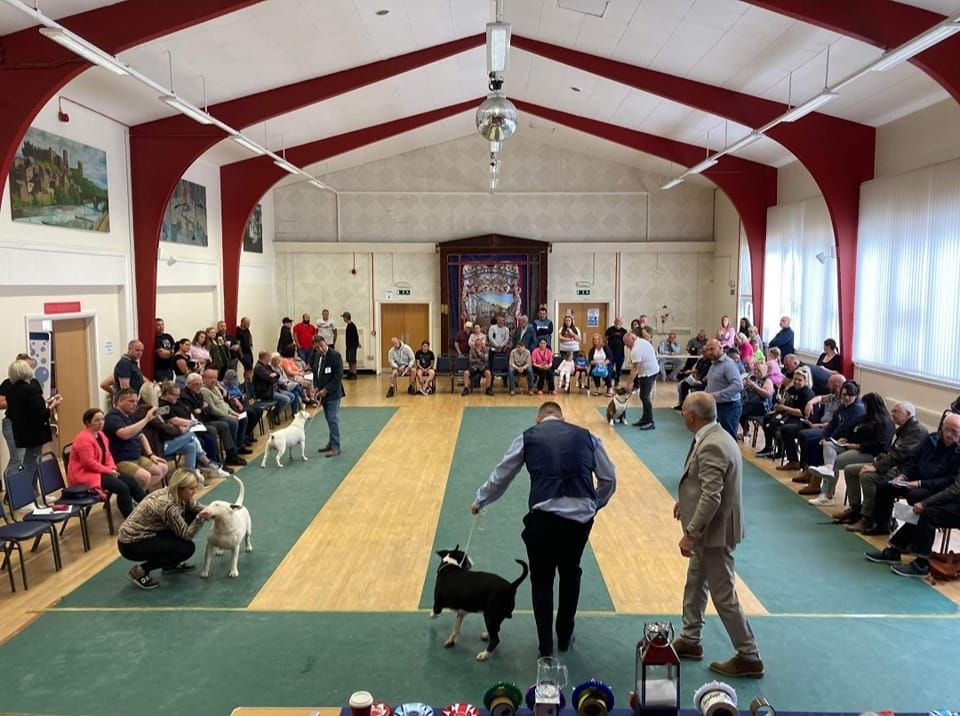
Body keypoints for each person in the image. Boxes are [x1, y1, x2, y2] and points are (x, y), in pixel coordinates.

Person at [470, 401, 616, 657]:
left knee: (542, 581)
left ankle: (545, 648)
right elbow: (609, 478)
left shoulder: (527, 437)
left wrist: (481, 499)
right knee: (571, 573)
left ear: (538, 420)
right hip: (579, 521)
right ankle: (564, 636)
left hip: (543, 520)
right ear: (562, 418)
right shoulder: (588, 436)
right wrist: (594, 504)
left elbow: (502, 474)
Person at [672, 392, 763, 678]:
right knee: (696, 583)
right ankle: (690, 638)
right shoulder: (717, 435)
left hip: (714, 533)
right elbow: (704, 485)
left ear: (691, 416)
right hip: (712, 530)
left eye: (684, 410)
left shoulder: (712, 445)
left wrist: (691, 532)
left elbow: (712, 496)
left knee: (723, 594)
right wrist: (684, 502)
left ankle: (749, 655)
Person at [117, 468, 208, 590]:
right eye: (191, 488)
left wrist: (217, 510)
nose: (194, 491)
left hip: (149, 533)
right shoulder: (168, 506)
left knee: (190, 515)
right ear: (180, 488)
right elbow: (187, 535)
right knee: (187, 548)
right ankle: (140, 571)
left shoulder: (175, 493)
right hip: (132, 544)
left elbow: (197, 507)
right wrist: (200, 518)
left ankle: (169, 565)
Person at [68, 408, 145, 518]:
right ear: (87, 422)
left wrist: (112, 468)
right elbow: (88, 463)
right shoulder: (83, 439)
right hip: (85, 475)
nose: (101, 423)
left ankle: (149, 510)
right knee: (122, 488)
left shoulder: (101, 435)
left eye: (102, 419)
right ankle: (130, 520)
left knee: (131, 481)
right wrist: (108, 471)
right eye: (97, 420)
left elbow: (108, 455)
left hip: (99, 471)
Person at [3, 359, 61, 485]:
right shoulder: (30, 389)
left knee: (31, 462)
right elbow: (40, 414)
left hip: (21, 432)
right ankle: (27, 496)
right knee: (30, 465)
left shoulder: (12, 391)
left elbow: (20, 411)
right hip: (33, 434)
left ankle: (33, 493)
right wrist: (52, 405)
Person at [103, 388, 168, 491]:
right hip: (120, 461)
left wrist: (151, 454)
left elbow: (141, 436)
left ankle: (136, 495)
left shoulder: (130, 416)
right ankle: (137, 497)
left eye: (136, 401)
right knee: (145, 477)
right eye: (131, 401)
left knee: (162, 468)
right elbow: (124, 434)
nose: (135, 404)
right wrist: (146, 419)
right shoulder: (112, 417)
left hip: (137, 457)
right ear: (120, 401)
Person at [702, 339, 743, 440]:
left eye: (712, 349)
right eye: (707, 350)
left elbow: (738, 385)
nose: (709, 352)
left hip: (729, 407)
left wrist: (716, 395)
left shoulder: (728, 364)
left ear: (721, 348)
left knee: (728, 440)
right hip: (717, 406)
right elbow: (711, 384)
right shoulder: (714, 365)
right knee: (718, 439)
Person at [312, 335, 345, 457]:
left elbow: (338, 376)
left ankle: (336, 446)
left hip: (333, 394)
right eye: (317, 348)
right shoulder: (316, 356)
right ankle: (331, 443)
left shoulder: (335, 355)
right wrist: (316, 387)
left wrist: (326, 389)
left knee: (332, 419)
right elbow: (315, 373)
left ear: (325, 343)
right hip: (322, 394)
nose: (320, 349)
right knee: (328, 419)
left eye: (321, 346)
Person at [624, 332, 660, 430]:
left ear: (632, 338)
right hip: (647, 372)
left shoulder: (636, 349)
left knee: (645, 396)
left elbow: (635, 368)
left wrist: (629, 383)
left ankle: (650, 421)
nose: (626, 345)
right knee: (643, 396)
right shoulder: (641, 342)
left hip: (649, 373)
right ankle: (645, 418)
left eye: (626, 343)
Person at [604, 317, 628, 386]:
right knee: (609, 367)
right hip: (611, 353)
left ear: (621, 323)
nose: (618, 322)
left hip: (620, 353)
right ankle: (608, 381)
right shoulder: (609, 330)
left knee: (619, 368)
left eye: (619, 321)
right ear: (614, 322)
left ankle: (617, 381)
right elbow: (605, 340)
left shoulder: (624, 331)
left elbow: (626, 341)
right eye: (617, 321)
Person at [341, 311, 360, 380]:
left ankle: (354, 373)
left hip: (352, 346)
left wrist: (357, 343)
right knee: (349, 359)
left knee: (352, 360)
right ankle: (350, 372)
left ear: (346, 317)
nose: (343, 319)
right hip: (349, 346)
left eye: (343, 317)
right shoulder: (349, 325)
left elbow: (355, 336)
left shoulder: (352, 326)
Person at [235, 317, 255, 381]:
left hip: (248, 351)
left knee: (250, 367)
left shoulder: (247, 330)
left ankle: (248, 380)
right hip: (242, 352)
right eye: (247, 323)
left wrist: (251, 345)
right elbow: (238, 343)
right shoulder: (238, 331)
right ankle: (247, 381)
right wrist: (241, 355)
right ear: (243, 323)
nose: (249, 325)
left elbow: (250, 336)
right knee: (247, 367)